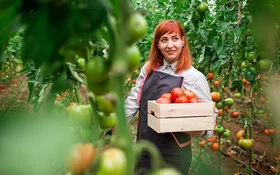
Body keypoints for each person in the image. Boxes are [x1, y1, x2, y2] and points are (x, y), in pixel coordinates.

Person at [125, 20, 215, 175]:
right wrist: (112, 125)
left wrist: (196, 129)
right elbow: (133, 101)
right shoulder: (148, 69)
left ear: (182, 42)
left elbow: (208, 120)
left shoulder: (193, 77)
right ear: (158, 44)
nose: (170, 45)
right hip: (145, 146)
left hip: (173, 154)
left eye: (175, 38)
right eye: (164, 40)